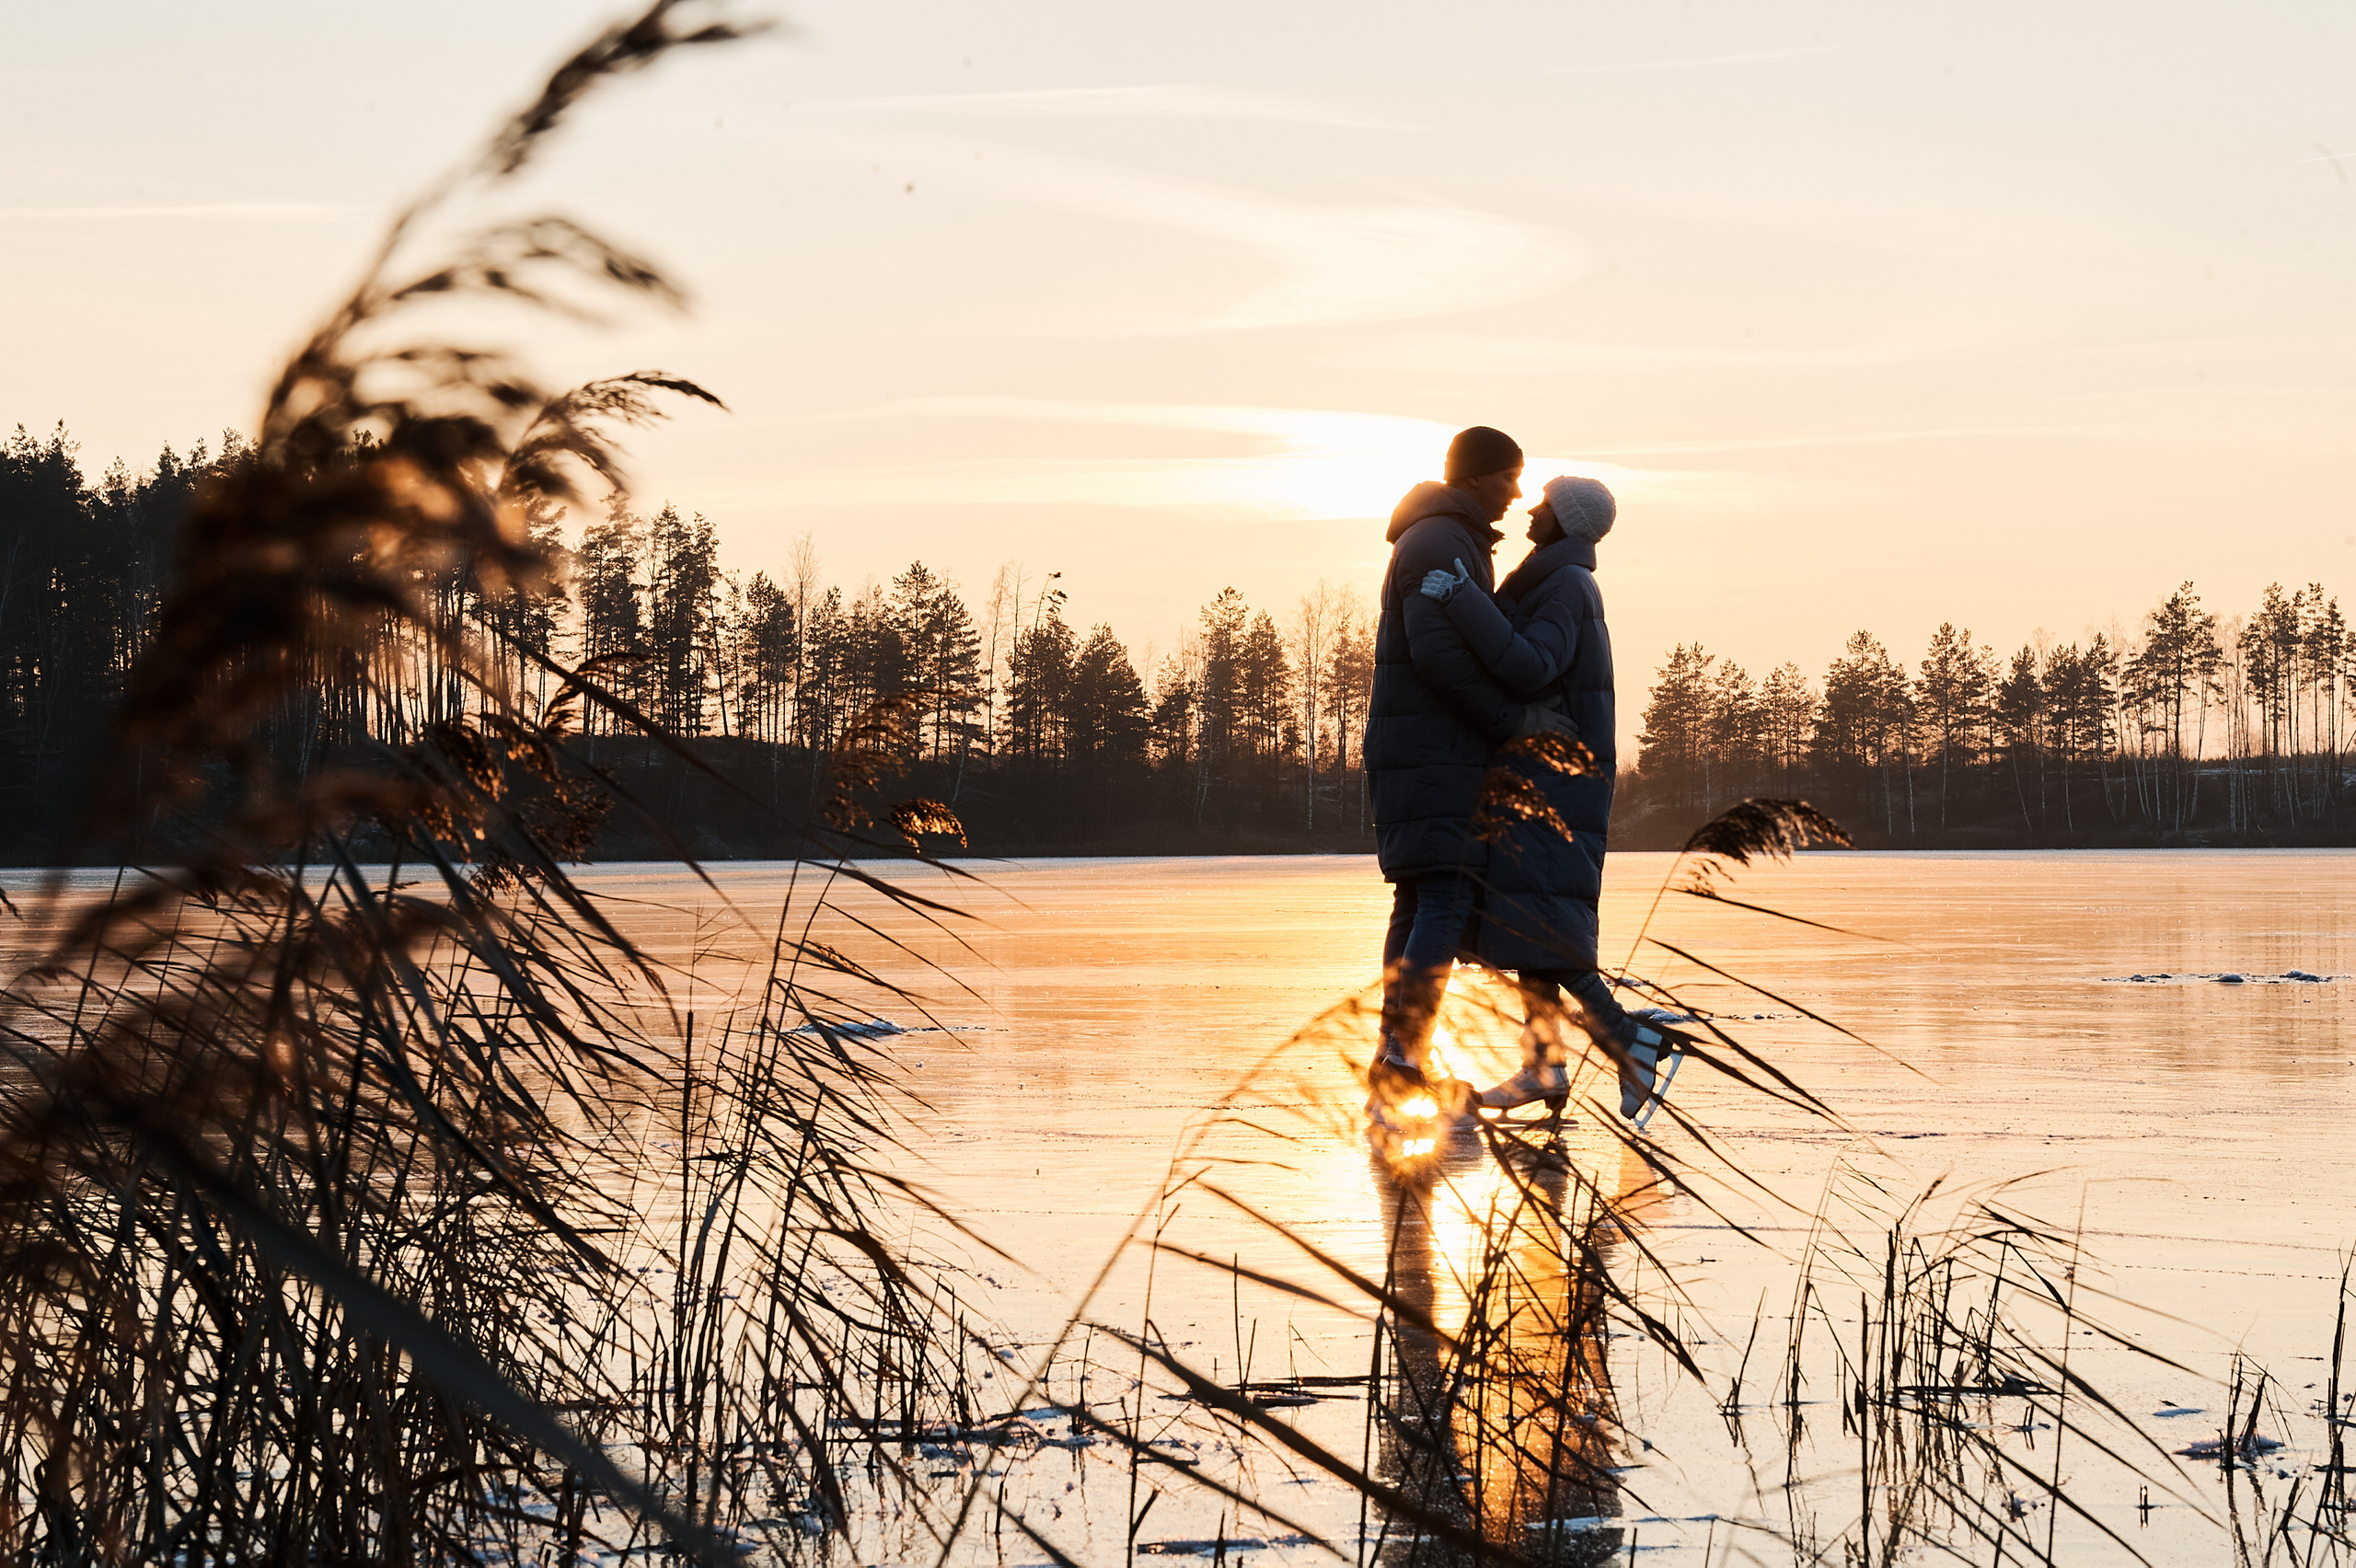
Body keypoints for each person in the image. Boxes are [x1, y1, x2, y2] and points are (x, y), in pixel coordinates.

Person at [1416, 475, 1676, 1121]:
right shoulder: (1551, 580)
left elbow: (1533, 663)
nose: (1532, 510)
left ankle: (1628, 1037)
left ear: (1566, 520)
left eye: (1547, 505)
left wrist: (1463, 602)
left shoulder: (1567, 585)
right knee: (1525, 923)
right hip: (1537, 775)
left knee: (1546, 930)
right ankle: (1545, 1065)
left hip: (1560, 780)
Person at [1364, 427, 1570, 1132]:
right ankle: (1402, 1056)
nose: (1517, 493)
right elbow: (1437, 655)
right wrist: (1511, 718)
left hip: (1424, 749)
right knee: (1444, 896)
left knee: (1424, 895)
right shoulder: (1439, 543)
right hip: (1434, 751)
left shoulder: (1444, 538)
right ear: (1480, 476)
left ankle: (1397, 1056)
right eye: (1511, 477)